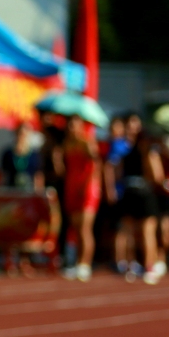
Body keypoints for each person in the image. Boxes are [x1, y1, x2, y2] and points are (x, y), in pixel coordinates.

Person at [118, 121, 167, 283]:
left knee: (129, 232)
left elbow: (119, 174)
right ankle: (148, 266)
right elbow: (157, 176)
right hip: (145, 193)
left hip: (129, 192)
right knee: (148, 231)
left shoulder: (126, 152)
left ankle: (130, 265)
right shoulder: (149, 152)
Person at [59, 118, 103, 281]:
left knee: (85, 228)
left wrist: (86, 185)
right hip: (72, 186)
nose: (71, 127)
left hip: (87, 188)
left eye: (74, 124)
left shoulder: (87, 142)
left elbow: (95, 164)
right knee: (76, 229)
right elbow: (64, 169)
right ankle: (78, 262)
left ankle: (85, 264)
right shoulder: (67, 145)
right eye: (69, 124)